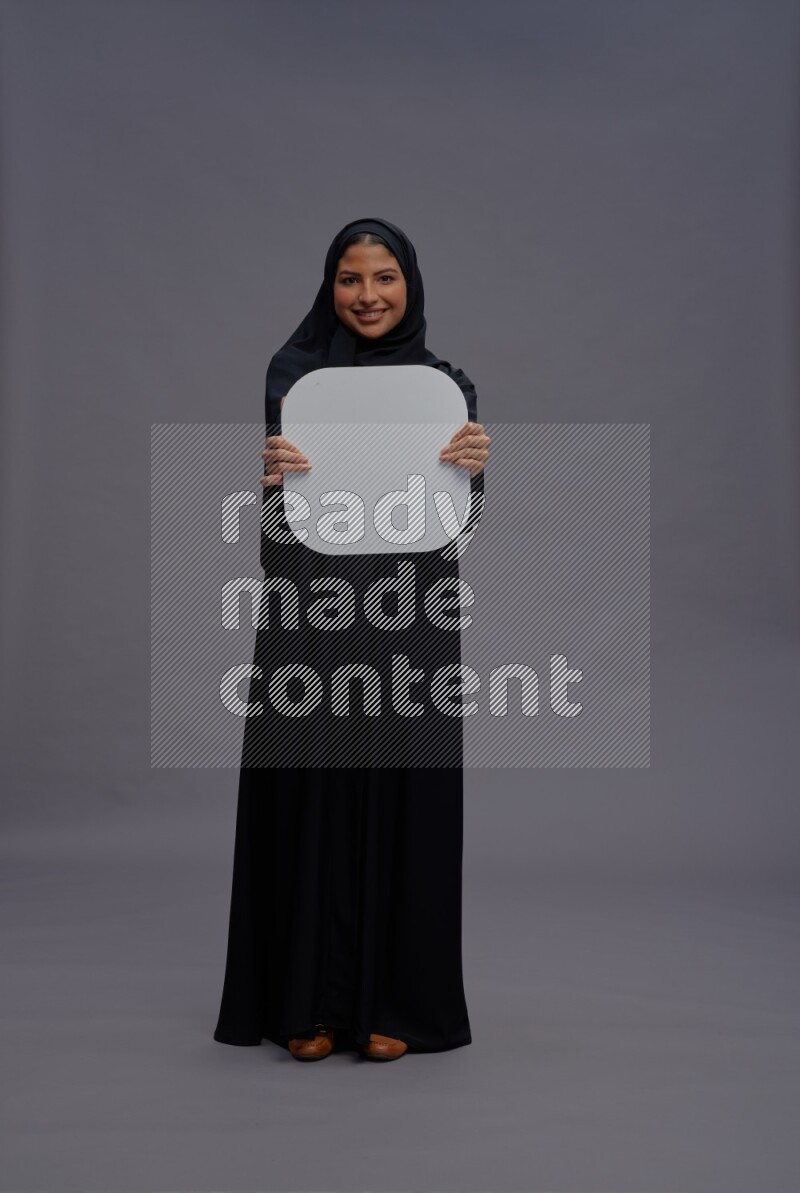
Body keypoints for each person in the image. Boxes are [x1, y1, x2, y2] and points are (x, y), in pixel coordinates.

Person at [213, 217, 490, 1062]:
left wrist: (475, 477)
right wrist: (270, 483)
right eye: (349, 278)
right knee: (313, 788)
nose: (367, 295)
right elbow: (280, 534)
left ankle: (392, 1003)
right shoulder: (296, 378)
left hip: (410, 615)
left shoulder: (447, 390)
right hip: (314, 614)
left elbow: (454, 532)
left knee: (405, 796)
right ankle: (309, 1004)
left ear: (411, 285)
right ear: (329, 286)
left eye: (384, 277)